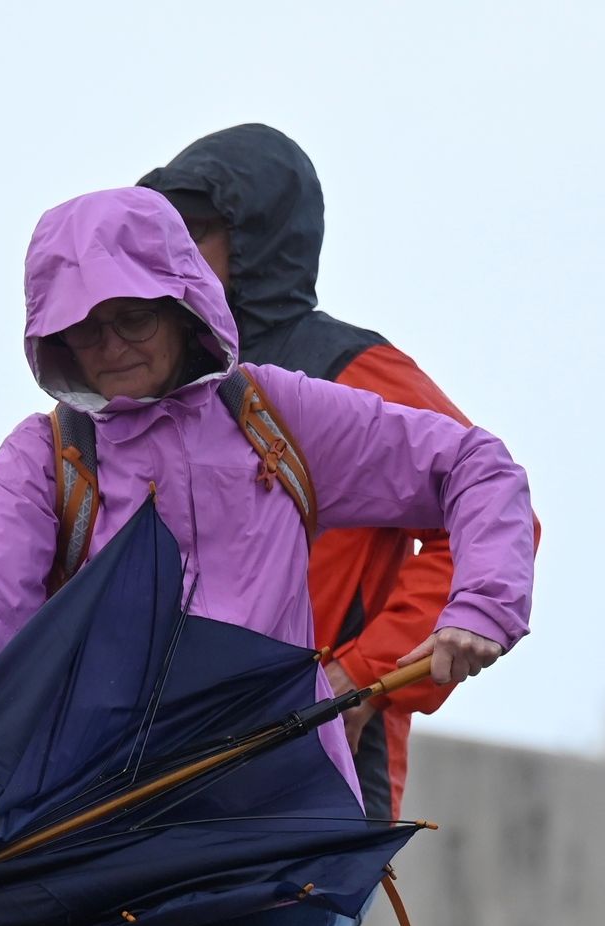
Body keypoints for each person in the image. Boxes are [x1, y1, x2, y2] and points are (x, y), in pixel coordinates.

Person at [0, 186, 535, 926]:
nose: (109, 347)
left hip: (269, 825)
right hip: (86, 830)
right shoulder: (44, 458)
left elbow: (474, 464)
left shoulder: (274, 413)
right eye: (83, 328)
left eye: (130, 319)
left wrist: (484, 602)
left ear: (182, 303)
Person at [139, 123, 539, 824]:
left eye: (193, 227)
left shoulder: (351, 369)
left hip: (324, 758)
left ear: (253, 238)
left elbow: (492, 510)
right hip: (167, 757)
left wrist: (360, 676)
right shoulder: (151, 381)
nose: (171, 249)